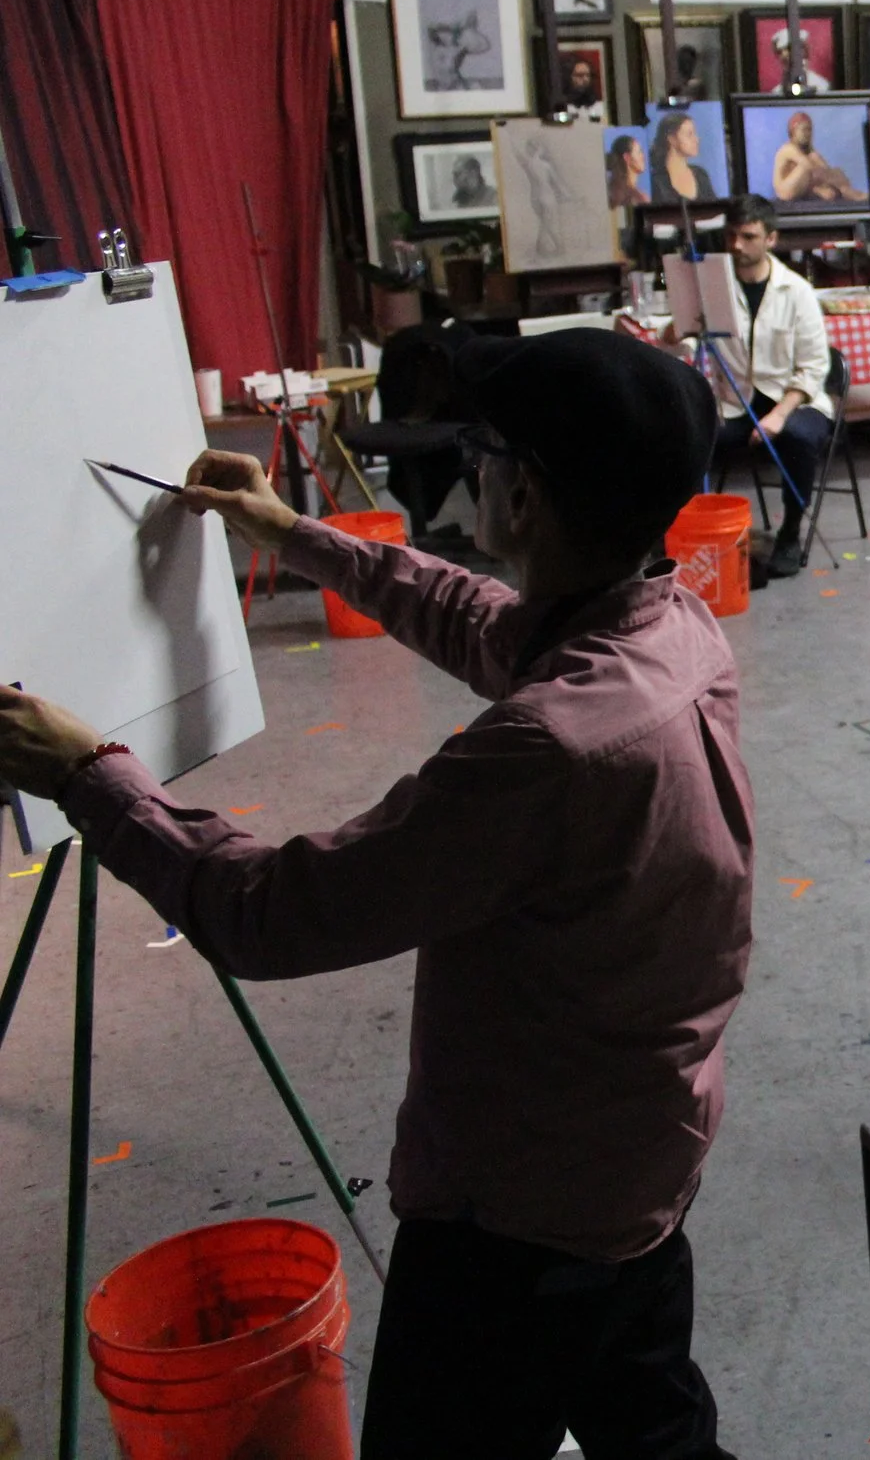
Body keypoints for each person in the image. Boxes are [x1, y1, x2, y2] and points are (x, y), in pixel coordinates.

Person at [0, 330, 749, 1459]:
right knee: (650, 1423)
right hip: (639, 1150)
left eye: (485, 450)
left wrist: (85, 771)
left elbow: (268, 912)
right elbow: (476, 617)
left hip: (521, 1213)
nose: (473, 468)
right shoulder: (668, 625)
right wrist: (290, 532)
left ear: (521, 493)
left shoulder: (551, 748)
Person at [691, 196, 838, 581]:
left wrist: (779, 414)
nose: (736, 245)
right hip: (735, 402)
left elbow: (814, 367)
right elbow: (688, 343)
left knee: (797, 437)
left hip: (793, 401)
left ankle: (790, 533)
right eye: (731, 236)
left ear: (771, 239)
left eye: (748, 236)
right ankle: (688, 533)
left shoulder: (797, 291)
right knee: (688, 437)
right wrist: (677, 331)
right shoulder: (714, 288)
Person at [772, 111, 864, 204]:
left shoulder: (808, 149)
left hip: (801, 187)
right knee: (810, 164)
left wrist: (834, 177)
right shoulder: (788, 148)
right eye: (804, 130)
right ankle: (847, 192)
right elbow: (809, 167)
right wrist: (835, 185)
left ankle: (841, 190)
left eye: (810, 130)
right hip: (785, 192)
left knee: (836, 172)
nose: (808, 133)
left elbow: (824, 168)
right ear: (794, 131)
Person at [650, 110, 715, 205]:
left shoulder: (701, 175)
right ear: (672, 139)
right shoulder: (656, 181)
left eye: (695, 134)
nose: (696, 139)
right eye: (689, 134)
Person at [771, 26, 833, 94]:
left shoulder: (821, 86)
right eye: (779, 52)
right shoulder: (777, 92)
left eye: (789, 49)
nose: (783, 56)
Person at [608, 132, 650, 208]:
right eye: (639, 152)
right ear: (627, 157)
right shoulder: (639, 198)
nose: (643, 157)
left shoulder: (609, 190)